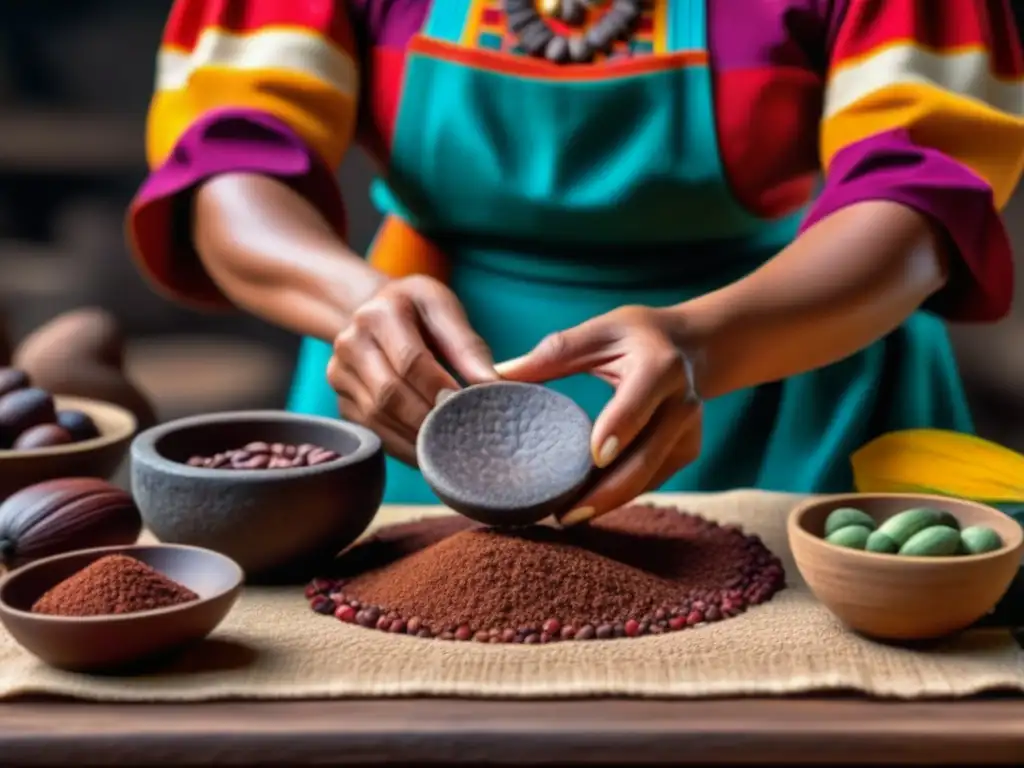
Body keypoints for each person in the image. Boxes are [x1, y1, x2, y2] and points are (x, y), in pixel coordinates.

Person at [128, 0, 1024, 526]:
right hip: (413, 384)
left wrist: (705, 346)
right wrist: (358, 305)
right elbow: (227, 160)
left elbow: (919, 196)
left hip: (801, 355)